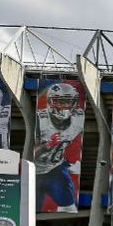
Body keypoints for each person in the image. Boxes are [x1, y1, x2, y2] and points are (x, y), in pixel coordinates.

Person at [35, 81, 85, 213]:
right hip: (33, 171)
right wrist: (46, 146)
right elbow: (30, 152)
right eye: (59, 101)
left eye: (68, 102)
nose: (64, 106)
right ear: (51, 102)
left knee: (70, 208)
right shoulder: (40, 120)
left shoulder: (78, 120)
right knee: (31, 211)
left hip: (55, 168)